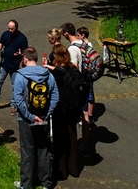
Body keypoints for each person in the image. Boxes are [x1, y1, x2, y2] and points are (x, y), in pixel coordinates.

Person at [12, 47, 58, 189]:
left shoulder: (20, 75)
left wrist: (30, 116)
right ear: (36, 59)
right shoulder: (48, 74)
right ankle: (46, 183)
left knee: (27, 152)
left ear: (25, 60)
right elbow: (55, 96)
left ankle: (26, 184)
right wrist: (46, 113)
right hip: (43, 118)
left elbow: (18, 99)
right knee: (43, 150)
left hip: (26, 120)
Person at [45, 43, 81, 180]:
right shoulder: (74, 69)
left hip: (60, 109)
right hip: (73, 109)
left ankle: (62, 170)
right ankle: (74, 168)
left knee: (60, 140)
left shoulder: (55, 74)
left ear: (56, 56)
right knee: (72, 138)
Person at [0, 19, 28, 115]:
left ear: (16, 28)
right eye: (9, 28)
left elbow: (25, 53)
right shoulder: (5, 34)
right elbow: (0, 46)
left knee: (15, 87)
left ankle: (13, 106)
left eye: (12, 29)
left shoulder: (22, 38)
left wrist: (20, 55)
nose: (10, 30)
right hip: (4, 64)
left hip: (15, 66)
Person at [76, 26, 97, 156]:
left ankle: (88, 115)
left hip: (87, 75)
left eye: (78, 35)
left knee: (89, 94)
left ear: (83, 35)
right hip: (90, 74)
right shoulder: (88, 44)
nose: (78, 37)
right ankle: (89, 115)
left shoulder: (87, 46)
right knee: (90, 94)